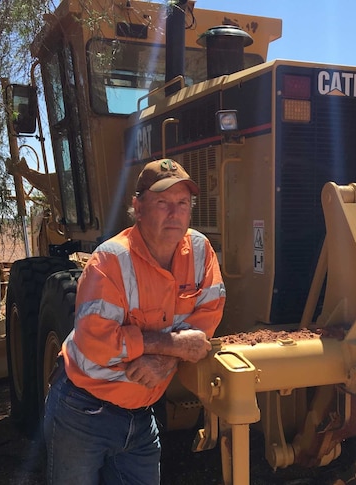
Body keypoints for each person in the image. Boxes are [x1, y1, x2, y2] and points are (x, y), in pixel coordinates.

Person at [43, 159, 225, 485]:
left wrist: (166, 360)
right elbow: (95, 342)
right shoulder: (110, 260)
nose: (175, 212)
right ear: (137, 208)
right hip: (83, 412)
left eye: (182, 203)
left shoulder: (200, 250)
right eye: (162, 203)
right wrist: (172, 345)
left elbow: (208, 312)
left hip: (141, 418)